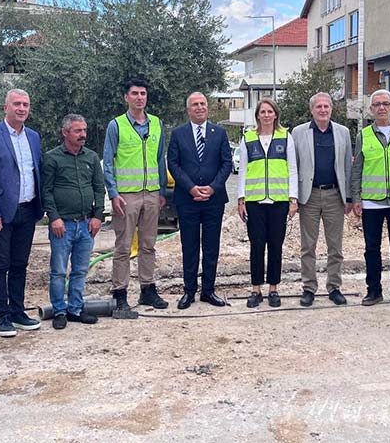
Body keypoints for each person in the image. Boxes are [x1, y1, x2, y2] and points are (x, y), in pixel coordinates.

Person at [0, 89, 44, 337]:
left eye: (25, 104)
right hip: (1, 214)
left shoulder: (34, 137)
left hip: (28, 209)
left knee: (20, 264)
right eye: (17, 104)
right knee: (0, 265)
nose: (21, 108)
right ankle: (1, 316)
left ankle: (17, 311)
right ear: (6, 107)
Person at [102, 79, 169, 319]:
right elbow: (108, 161)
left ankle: (147, 289)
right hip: (126, 196)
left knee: (148, 244)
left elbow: (161, 159)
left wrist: (161, 190)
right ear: (126, 97)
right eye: (135, 93)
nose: (139, 97)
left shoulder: (157, 124)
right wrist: (113, 193)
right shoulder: (116, 126)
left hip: (151, 193)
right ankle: (119, 294)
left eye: (143, 94)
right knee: (122, 246)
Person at [168, 92, 232, 309]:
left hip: (214, 200)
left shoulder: (220, 133)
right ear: (188, 110)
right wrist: (191, 188)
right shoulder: (178, 134)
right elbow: (173, 164)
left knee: (212, 246)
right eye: (195, 104)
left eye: (202, 104)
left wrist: (213, 188)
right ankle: (188, 291)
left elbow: (226, 163)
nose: (199, 108)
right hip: (188, 200)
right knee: (190, 246)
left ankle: (208, 290)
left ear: (208, 107)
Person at [42, 114, 106, 329]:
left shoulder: (91, 157)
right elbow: (47, 191)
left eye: (84, 130)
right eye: (78, 131)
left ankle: (76, 309)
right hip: (63, 225)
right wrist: (54, 218)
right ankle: (59, 310)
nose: (83, 135)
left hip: (87, 224)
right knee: (59, 270)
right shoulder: (52, 158)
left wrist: (98, 216)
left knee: (80, 269)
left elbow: (99, 188)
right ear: (65, 133)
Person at [350, 89, 390, 308]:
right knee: (372, 249)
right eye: (377, 104)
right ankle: (374, 291)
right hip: (371, 202)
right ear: (371, 109)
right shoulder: (363, 135)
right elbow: (357, 169)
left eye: (385, 103)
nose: (381, 108)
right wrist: (356, 197)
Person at [291, 92, 353, 307]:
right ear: (312, 110)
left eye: (326, 106)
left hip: (334, 195)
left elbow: (347, 166)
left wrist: (349, 197)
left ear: (332, 109)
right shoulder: (299, 133)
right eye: (319, 107)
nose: (323, 110)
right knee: (308, 246)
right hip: (308, 196)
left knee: (335, 246)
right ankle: (309, 288)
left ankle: (334, 286)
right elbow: (294, 166)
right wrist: (294, 197)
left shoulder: (343, 132)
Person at [236, 98, 298, 308]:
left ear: (275, 114)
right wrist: (241, 198)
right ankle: (256, 289)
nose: (266, 115)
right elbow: (242, 170)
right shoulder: (248, 138)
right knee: (256, 246)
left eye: (270, 111)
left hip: (279, 201)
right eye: (262, 112)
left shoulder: (285, 137)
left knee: (275, 246)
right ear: (257, 115)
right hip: (254, 201)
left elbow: (292, 169)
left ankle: (274, 288)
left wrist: (293, 199)